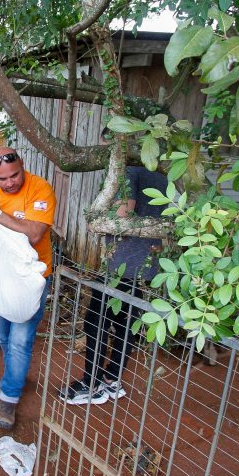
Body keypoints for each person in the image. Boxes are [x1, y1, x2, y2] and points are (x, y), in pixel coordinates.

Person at [59, 164, 168, 405]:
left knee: (94, 324)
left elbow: (123, 214)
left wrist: (96, 221)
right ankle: (112, 378)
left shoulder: (127, 172)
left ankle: (91, 383)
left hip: (121, 266)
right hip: (145, 263)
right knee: (125, 325)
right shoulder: (161, 175)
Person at [0, 146, 56, 429]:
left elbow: (35, 234)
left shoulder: (40, 188)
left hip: (31, 277)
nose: (10, 182)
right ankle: (15, 375)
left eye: (15, 175)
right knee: (2, 333)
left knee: (21, 339)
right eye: (3, 179)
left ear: (22, 165)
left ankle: (9, 397)